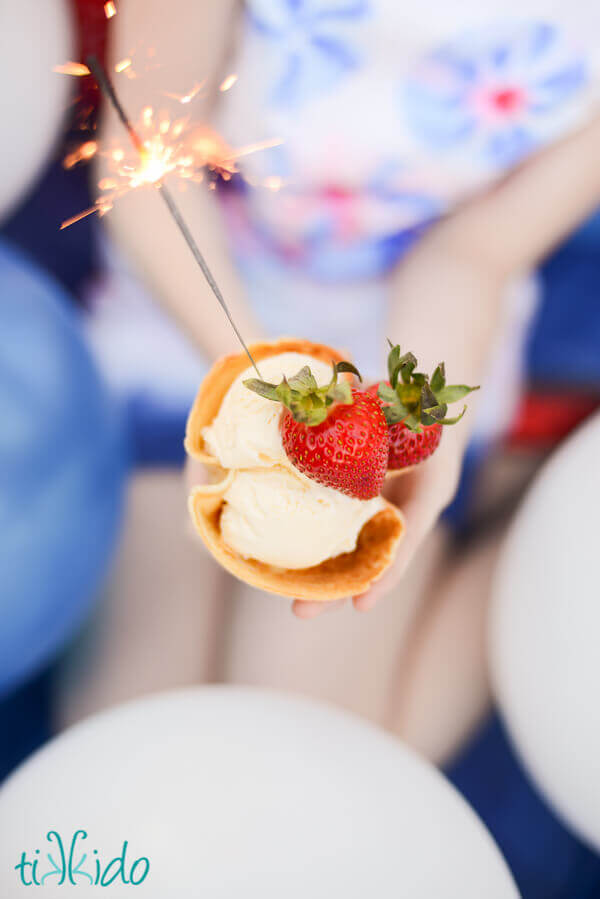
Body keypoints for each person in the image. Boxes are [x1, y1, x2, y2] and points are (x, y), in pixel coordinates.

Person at [59, 0, 600, 761]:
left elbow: (468, 257)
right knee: (128, 739)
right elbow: (144, 159)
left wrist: (415, 432)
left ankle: (547, 520)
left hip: (410, 353)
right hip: (192, 303)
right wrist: (247, 384)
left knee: (308, 752)